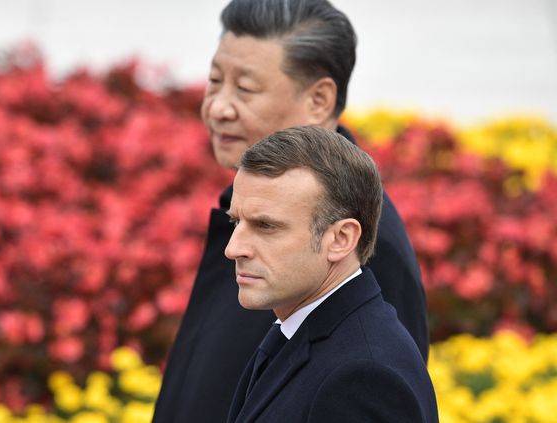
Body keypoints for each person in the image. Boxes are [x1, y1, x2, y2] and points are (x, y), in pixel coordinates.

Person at [153, 0, 429, 422]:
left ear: (319, 99)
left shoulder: (364, 247)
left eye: (245, 89)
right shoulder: (245, 204)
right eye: (214, 81)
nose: (218, 107)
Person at [224, 126, 437, 422]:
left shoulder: (364, 378)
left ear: (340, 239)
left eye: (265, 226)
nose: (233, 249)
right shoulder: (308, 331)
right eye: (236, 222)